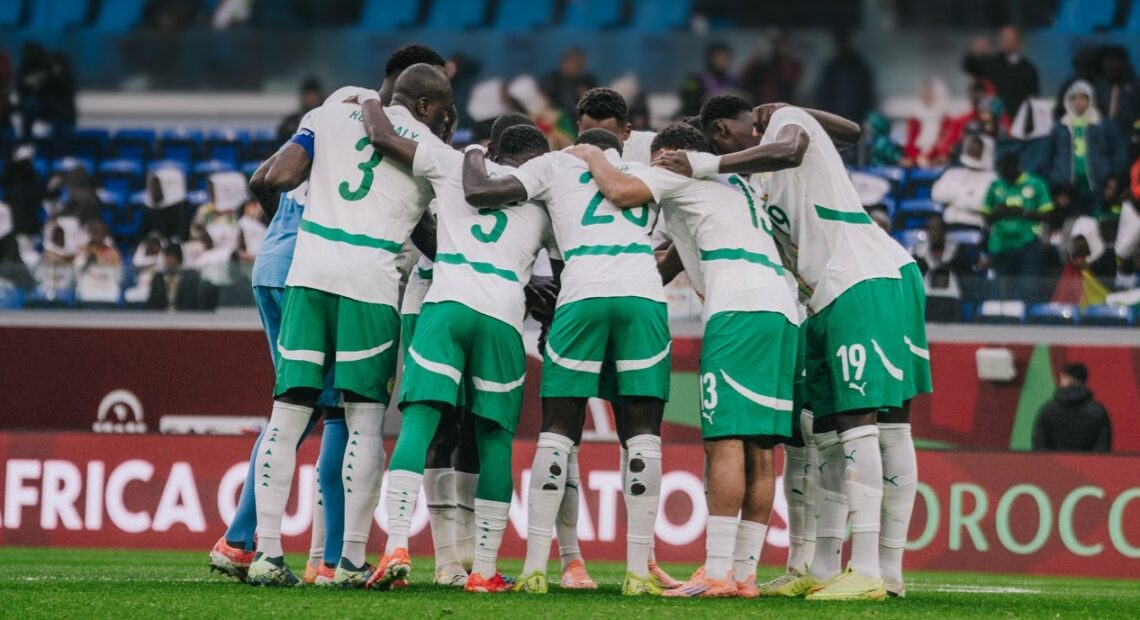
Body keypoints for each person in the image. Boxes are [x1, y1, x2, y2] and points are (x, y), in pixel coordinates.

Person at [660, 98, 931, 600]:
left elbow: (811, 141)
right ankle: (825, 567)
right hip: (823, 296)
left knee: (874, 423)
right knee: (825, 432)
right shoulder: (755, 187)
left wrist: (708, 160)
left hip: (866, 275)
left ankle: (876, 569)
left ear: (723, 130)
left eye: (729, 138)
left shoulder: (780, 125)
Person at [243, 64, 452, 587]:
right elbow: (436, 235)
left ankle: (267, 554)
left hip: (308, 271)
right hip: (371, 281)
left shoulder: (329, 116)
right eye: (446, 107)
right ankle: (350, 560)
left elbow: (280, 176)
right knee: (362, 421)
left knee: (287, 414)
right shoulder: (429, 146)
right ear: (426, 106)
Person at [580, 123, 799, 598]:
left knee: (724, 440)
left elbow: (619, 191)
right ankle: (744, 575)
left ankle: (716, 571)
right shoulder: (737, 184)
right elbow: (675, 257)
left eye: (659, 158)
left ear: (674, 155)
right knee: (762, 446)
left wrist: (589, 155)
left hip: (737, 309)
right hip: (782, 310)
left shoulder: (677, 173)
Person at [358, 89, 554, 593]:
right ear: (534, 162)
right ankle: (483, 571)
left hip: (444, 306)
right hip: (502, 319)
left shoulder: (451, 165)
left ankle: (395, 546)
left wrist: (369, 99)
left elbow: (380, 137)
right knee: (494, 442)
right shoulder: (545, 200)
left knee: (418, 426)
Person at [462, 127, 670, 596]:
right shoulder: (646, 173)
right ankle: (639, 572)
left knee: (558, 431)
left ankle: (536, 567)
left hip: (581, 292)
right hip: (642, 293)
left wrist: (473, 151)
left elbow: (485, 193)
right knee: (642, 435)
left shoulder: (555, 165)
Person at [982, 153, 1052, 303]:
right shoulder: (996, 186)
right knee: (1001, 288)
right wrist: (999, 212)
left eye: (1005, 170)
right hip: (1001, 244)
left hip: (1027, 243)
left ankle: (1028, 321)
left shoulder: (1036, 183)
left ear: (1015, 168)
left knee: (1028, 287)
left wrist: (1022, 212)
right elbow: (986, 217)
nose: (1002, 174)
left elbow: (1047, 214)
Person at [1049, 80, 1125, 216]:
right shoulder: (1060, 127)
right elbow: (1048, 157)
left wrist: (1113, 179)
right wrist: (1057, 188)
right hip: (1068, 191)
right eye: (1074, 98)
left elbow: (1118, 152)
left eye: (1083, 97)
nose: (1078, 102)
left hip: (1099, 188)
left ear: (1091, 99)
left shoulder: (1103, 124)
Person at [963, 26, 1039, 136]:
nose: (1005, 42)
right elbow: (970, 67)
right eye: (1003, 39)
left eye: (1009, 39)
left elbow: (1033, 100)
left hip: (1018, 124)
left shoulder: (1028, 70)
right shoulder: (992, 63)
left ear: (1018, 43)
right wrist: (972, 53)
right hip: (993, 123)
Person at [1032, 364, 1111, 453]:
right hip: (1087, 465)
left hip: (1054, 465)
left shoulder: (1047, 409)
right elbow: (1102, 448)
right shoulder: (1098, 411)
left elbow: (1039, 445)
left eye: (1061, 378)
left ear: (1067, 380)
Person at [911, 215, 976, 322]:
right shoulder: (919, 253)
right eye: (931, 229)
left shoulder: (957, 252)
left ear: (944, 232)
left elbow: (966, 271)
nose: (935, 233)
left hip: (951, 301)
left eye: (938, 229)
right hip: (927, 300)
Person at [931, 135, 996, 228]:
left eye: (978, 147)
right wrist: (965, 197)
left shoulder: (993, 179)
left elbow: (980, 204)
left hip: (976, 225)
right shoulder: (953, 173)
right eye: (972, 145)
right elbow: (936, 194)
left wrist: (957, 199)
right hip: (950, 223)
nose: (973, 149)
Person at [813, 30, 874, 128]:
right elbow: (823, 97)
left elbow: (867, 97)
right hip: (838, 122)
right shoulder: (832, 69)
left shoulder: (858, 69)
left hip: (851, 122)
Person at [145, 243, 218, 311]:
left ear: (178, 260)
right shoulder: (158, 278)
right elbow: (152, 304)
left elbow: (191, 303)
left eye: (172, 258)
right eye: (167, 257)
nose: (169, 261)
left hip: (183, 318)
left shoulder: (189, 279)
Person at [679, 42, 741, 117]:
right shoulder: (695, 79)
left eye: (725, 57)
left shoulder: (735, 82)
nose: (722, 61)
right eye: (719, 57)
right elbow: (688, 101)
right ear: (710, 58)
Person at [902, 78, 952, 168]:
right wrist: (916, 158)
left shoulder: (945, 119)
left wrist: (929, 158)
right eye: (924, 92)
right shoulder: (914, 118)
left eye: (930, 93)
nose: (927, 96)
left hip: (937, 162)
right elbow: (910, 143)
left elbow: (945, 143)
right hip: (917, 162)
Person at [1093, 45, 1140, 137]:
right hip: (1101, 138)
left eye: (1115, 60)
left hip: (1127, 137)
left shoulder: (1135, 87)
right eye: (1107, 60)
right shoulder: (1097, 87)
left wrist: (1136, 132)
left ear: (1123, 63)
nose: (1111, 64)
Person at [541, 47, 597, 121]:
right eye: (576, 65)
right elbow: (545, 103)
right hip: (557, 120)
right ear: (565, 63)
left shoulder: (587, 81)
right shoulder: (552, 79)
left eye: (581, 66)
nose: (578, 69)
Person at [276, 77, 323, 143]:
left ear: (320, 96)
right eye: (308, 95)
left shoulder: (324, 120)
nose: (311, 99)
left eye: (313, 95)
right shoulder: (290, 122)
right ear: (303, 96)